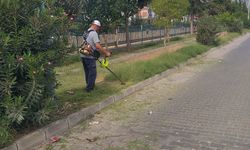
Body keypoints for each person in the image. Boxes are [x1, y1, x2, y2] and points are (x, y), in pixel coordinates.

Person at [80, 20, 111, 92]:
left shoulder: (86, 32)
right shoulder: (94, 33)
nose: (98, 29)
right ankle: (89, 89)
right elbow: (97, 46)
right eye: (98, 27)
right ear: (95, 26)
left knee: (87, 72)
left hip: (83, 54)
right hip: (89, 56)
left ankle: (89, 86)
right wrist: (106, 53)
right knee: (93, 73)